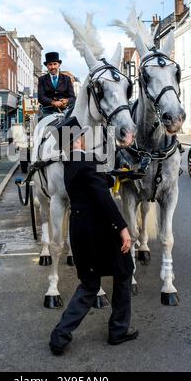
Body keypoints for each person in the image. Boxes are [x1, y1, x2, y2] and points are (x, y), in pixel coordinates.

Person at [49, 134, 138, 355]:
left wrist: (111, 177)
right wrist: (123, 229)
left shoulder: (70, 163)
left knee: (89, 284)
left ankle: (59, 337)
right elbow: (103, 198)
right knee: (125, 271)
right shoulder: (87, 160)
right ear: (76, 139)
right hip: (100, 230)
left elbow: (94, 182)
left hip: (80, 230)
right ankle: (118, 330)